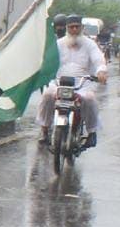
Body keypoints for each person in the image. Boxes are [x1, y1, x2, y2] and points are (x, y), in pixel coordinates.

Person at [36, 13, 109, 148]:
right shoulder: (58, 44)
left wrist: (101, 71)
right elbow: (47, 60)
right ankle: (44, 130)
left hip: (82, 84)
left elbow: (98, 59)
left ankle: (92, 133)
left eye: (77, 27)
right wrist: (41, 70)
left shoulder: (90, 44)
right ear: (67, 28)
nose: (74, 30)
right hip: (59, 82)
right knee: (47, 95)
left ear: (81, 28)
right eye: (71, 27)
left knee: (89, 99)